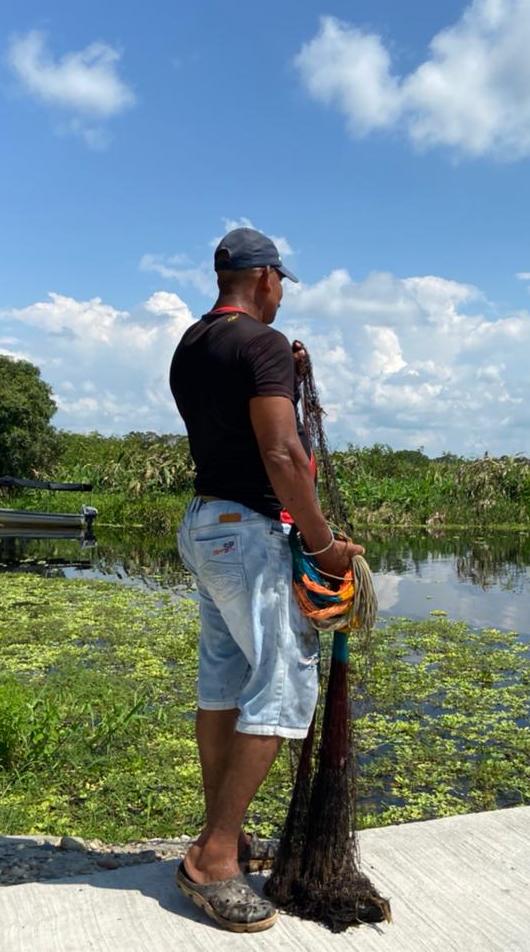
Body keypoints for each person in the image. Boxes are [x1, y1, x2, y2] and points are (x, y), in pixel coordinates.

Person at [168, 227, 363, 933]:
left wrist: (283, 362)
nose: (281, 296)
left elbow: (238, 414)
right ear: (265, 278)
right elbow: (282, 451)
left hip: (205, 524)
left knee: (223, 686)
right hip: (249, 532)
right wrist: (325, 545)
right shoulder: (263, 345)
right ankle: (215, 857)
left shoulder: (194, 343)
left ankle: (227, 835)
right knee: (282, 686)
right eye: (280, 284)